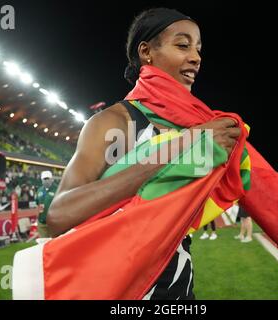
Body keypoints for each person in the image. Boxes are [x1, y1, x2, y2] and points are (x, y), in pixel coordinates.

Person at [47, 8, 241, 300]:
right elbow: (59, 215)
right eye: (183, 45)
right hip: (120, 289)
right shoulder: (114, 122)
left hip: (178, 288)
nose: (196, 57)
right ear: (147, 52)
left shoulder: (199, 126)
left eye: (198, 49)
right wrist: (182, 145)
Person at [37, 170, 56, 238]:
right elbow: (37, 203)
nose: (46, 180)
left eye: (48, 178)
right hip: (41, 221)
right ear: (42, 180)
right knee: (43, 243)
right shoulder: (39, 190)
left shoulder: (57, 189)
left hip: (53, 222)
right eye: (44, 179)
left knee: (54, 242)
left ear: (52, 179)